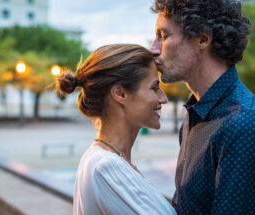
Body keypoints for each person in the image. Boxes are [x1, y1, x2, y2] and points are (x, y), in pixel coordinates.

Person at [149, 0, 255, 214]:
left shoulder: (244, 124)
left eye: (163, 36)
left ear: (202, 38)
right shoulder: (196, 113)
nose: (153, 49)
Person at [56, 44, 176, 215]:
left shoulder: (102, 160)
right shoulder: (106, 167)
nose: (163, 98)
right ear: (120, 94)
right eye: (154, 87)